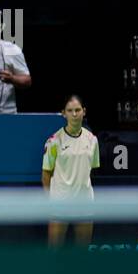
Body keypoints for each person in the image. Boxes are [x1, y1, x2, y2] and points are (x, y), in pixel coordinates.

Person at [42, 94, 100, 248]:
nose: (74, 114)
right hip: (60, 204)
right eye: (70, 111)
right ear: (63, 113)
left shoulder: (92, 140)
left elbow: (91, 170)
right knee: (54, 254)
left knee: (82, 256)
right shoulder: (53, 141)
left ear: (84, 112)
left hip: (84, 204)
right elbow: (46, 174)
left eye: (77, 110)